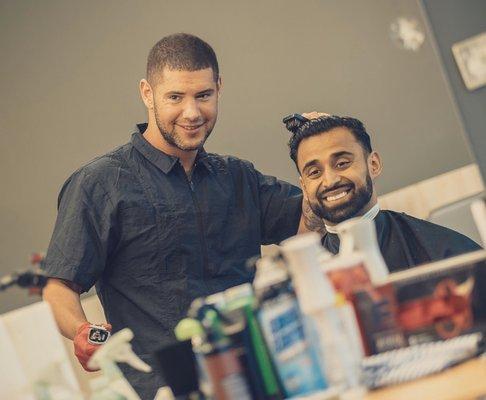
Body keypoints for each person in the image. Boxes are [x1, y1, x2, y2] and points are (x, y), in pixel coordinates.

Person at [42, 33, 308, 399]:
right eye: (175, 97)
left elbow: (311, 223)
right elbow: (59, 286)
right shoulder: (100, 183)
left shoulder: (238, 177)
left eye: (203, 95)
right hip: (165, 389)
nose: (192, 112)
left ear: (219, 88)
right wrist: (83, 331)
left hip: (260, 376)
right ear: (147, 94)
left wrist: (322, 144)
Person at [288, 113, 482, 272]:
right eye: (314, 172)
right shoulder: (305, 282)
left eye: (342, 163)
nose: (330, 180)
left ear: (373, 164)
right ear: (304, 186)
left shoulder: (446, 252)